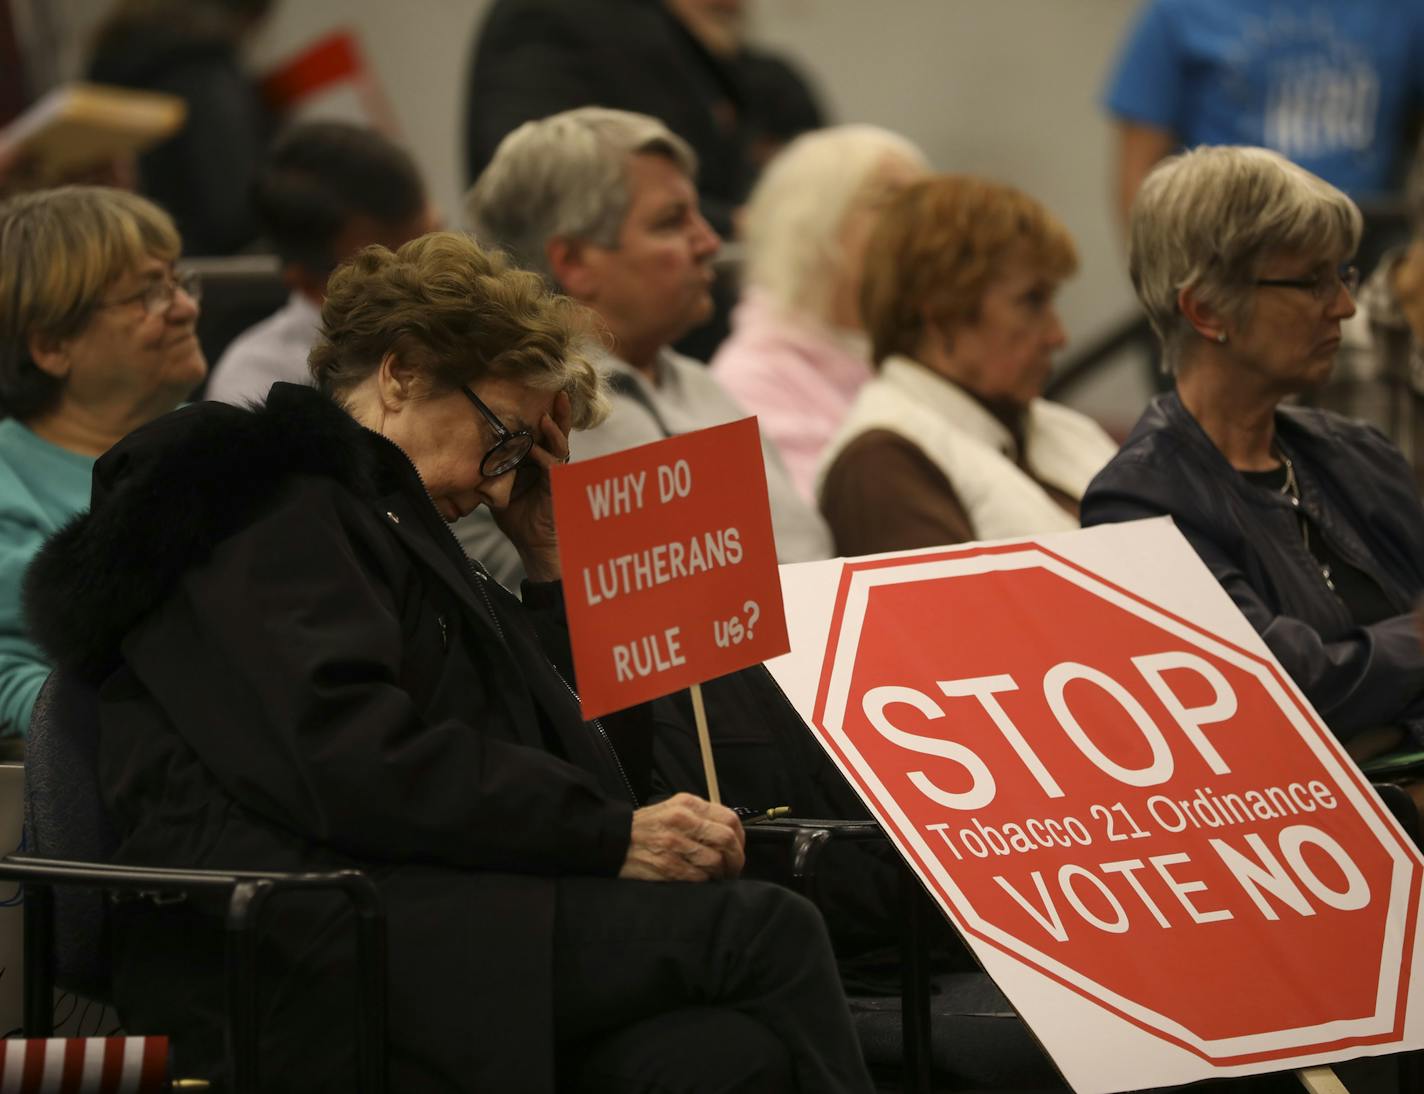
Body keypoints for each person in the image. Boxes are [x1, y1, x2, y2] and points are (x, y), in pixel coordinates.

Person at [23, 231, 875, 1093]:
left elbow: (592, 765)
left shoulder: (401, 531)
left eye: (518, 458)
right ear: (400, 373)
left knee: (718, 1062)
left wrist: (549, 565)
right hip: (302, 935)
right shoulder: (271, 502)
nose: (501, 487)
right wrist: (607, 835)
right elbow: (348, 756)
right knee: (767, 929)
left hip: (414, 907)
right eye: (500, 438)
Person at [1081, 145, 1424, 754]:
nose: (1344, 305)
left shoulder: (1357, 453)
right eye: (1313, 282)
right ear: (1207, 308)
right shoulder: (1136, 502)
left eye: (1342, 275)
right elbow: (1276, 691)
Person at [459, 106, 832, 586]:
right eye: (672, 221)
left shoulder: (706, 388)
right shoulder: (512, 424)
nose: (709, 242)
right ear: (573, 261)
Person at [817, 175, 1118, 557]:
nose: (1058, 336)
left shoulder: (1062, 428)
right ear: (942, 315)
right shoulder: (880, 464)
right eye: (1032, 301)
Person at [0, 185, 205, 740]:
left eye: (177, 282)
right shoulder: (7, 484)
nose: (185, 307)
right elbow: (11, 680)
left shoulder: (219, 437)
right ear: (51, 347)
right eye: (148, 295)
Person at [710, 125, 928, 502]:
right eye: (891, 199)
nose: (925, 224)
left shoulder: (921, 355)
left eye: (926, 202)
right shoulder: (751, 382)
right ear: (812, 221)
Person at [1103, 0, 1424, 231]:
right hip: (1230, 257)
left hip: (1366, 253)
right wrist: (1167, 292)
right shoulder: (1178, 13)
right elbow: (1139, 181)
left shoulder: (1403, 11)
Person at [205, 120, 438, 406]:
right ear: (302, 278)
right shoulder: (259, 386)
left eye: (438, 238)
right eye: (392, 267)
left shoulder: (483, 335)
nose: (432, 274)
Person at [86, 0, 275, 254]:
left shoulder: (113, 55)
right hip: (221, 272)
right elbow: (235, 206)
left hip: (143, 261)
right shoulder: (204, 68)